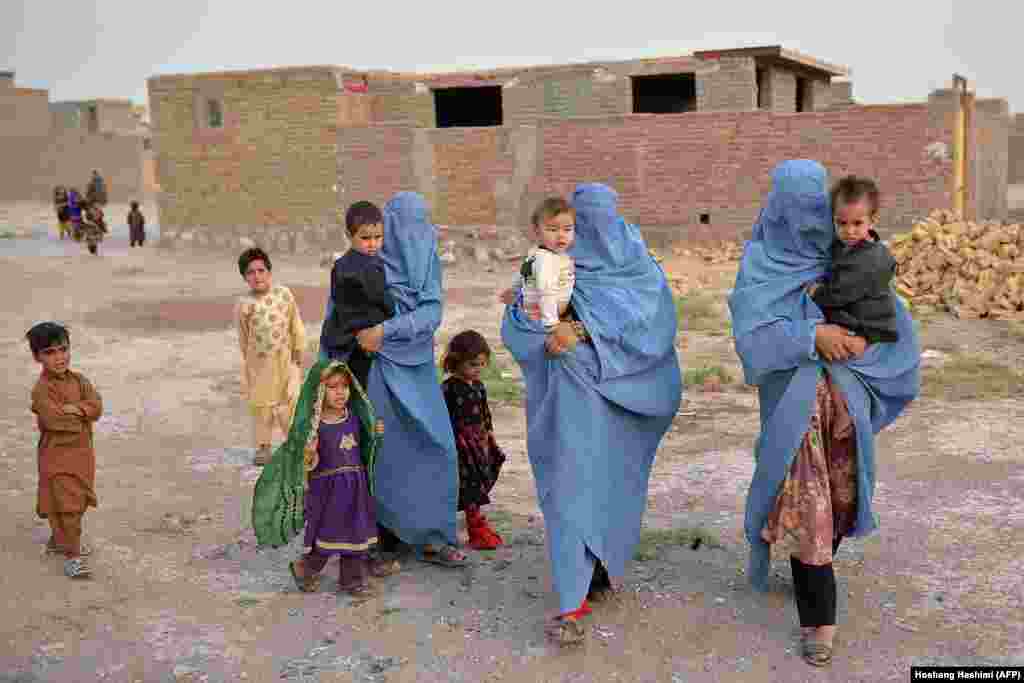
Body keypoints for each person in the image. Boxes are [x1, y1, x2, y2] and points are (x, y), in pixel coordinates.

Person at [728, 160, 920, 667]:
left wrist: (859, 343)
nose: (807, 222)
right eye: (796, 209)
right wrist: (810, 335)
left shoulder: (847, 258)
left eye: (816, 209)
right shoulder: (761, 264)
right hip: (795, 414)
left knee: (836, 503)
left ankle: (811, 569)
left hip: (844, 411)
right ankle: (819, 620)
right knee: (808, 507)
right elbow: (752, 338)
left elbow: (892, 327)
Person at [501, 183, 683, 646]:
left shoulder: (638, 269)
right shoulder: (552, 267)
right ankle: (570, 604)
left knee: (611, 493)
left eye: (582, 226)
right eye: (575, 225)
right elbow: (520, 324)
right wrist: (541, 330)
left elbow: (654, 329)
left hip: (624, 411)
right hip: (566, 408)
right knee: (568, 495)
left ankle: (598, 571)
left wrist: (582, 330)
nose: (583, 234)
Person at [320, 192, 466, 569]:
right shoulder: (367, 260)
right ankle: (382, 536)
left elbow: (432, 311)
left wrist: (388, 329)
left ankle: (434, 535)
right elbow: (336, 315)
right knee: (379, 452)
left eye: (422, 226)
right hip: (372, 368)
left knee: (435, 444)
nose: (415, 236)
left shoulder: (427, 260)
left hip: (413, 363)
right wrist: (329, 369)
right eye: (406, 228)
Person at [283, 361, 385, 597]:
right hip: (330, 493)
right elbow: (307, 464)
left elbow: (366, 449)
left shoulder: (354, 417)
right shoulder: (314, 427)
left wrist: (376, 435)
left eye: (345, 386)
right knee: (330, 535)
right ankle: (305, 569)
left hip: (355, 488)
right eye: (332, 387)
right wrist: (309, 453)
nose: (341, 392)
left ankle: (351, 580)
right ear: (319, 390)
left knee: (355, 532)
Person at [26, 322, 103, 579]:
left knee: (76, 503)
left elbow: (97, 407)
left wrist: (77, 409)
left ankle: (59, 540)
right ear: (37, 356)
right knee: (67, 504)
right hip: (56, 456)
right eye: (50, 352)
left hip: (82, 455)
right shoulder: (41, 390)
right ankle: (72, 557)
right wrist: (82, 413)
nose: (59, 357)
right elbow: (54, 421)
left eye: (63, 349)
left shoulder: (80, 380)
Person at [807, 175, 898, 345]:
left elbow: (838, 294)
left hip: (869, 326)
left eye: (857, 223)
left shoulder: (868, 260)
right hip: (860, 316)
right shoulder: (852, 246)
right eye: (841, 223)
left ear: (872, 221)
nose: (849, 231)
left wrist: (815, 293)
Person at [235, 248, 306, 466]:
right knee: (262, 405)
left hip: (286, 359)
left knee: (291, 399)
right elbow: (244, 336)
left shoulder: (283, 294)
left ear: (269, 271)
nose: (257, 276)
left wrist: (298, 349)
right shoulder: (244, 304)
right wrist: (249, 362)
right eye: (251, 272)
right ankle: (263, 446)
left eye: (261, 270)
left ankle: (295, 443)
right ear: (245, 277)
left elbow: (295, 322)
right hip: (260, 364)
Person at [441, 330, 507, 550]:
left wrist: (489, 433)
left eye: (481, 364)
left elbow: (485, 412)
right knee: (469, 485)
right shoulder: (449, 388)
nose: (477, 369)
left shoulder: (479, 386)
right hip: (461, 445)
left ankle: (476, 522)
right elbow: (444, 417)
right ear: (456, 362)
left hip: (479, 442)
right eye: (472, 364)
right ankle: (475, 528)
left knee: (483, 476)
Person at [319, 201, 395, 391]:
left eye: (378, 237)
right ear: (349, 236)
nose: (373, 244)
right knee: (360, 388)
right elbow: (383, 298)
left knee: (342, 384)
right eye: (365, 238)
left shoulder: (339, 264)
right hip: (362, 338)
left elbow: (335, 297)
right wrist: (393, 312)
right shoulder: (372, 266)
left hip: (339, 334)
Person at [498, 198, 576, 328]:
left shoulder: (536, 252)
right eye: (552, 230)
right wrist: (551, 323)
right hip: (542, 315)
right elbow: (546, 290)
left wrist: (514, 289)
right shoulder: (546, 259)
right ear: (537, 231)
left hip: (537, 310)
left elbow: (524, 272)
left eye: (567, 229)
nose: (561, 235)